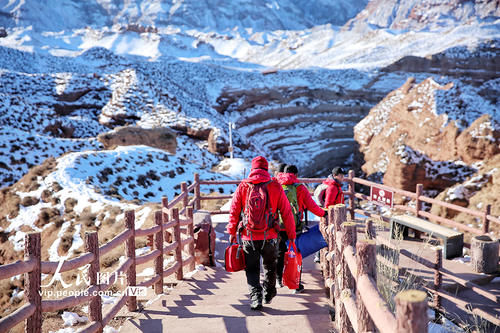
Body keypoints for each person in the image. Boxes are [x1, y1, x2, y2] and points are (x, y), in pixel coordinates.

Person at [227, 156, 296, 310]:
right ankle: (269, 293)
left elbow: (234, 211)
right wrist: (291, 235)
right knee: (270, 266)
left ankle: (255, 298)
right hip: (270, 236)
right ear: (266, 168)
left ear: (252, 169)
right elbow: (286, 213)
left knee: (251, 268)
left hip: (248, 236)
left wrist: (231, 231)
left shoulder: (243, 186)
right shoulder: (275, 186)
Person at [276, 164, 326, 293]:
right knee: (295, 253)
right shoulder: (300, 188)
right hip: (294, 226)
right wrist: (324, 213)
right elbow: (311, 206)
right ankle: (295, 285)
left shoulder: (276, 185)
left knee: (280, 252)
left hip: (278, 226)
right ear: (296, 175)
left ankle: (278, 279)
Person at [314, 166, 345, 263]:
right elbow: (328, 204)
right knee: (327, 235)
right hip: (331, 216)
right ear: (335, 175)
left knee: (326, 235)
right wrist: (331, 216)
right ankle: (320, 256)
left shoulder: (334, 185)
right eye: (341, 175)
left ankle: (321, 255)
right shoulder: (333, 187)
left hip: (333, 215)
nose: (342, 177)